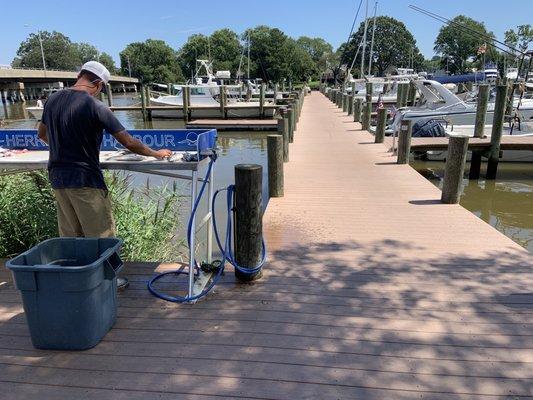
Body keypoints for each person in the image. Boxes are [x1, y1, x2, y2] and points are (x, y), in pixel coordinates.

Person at [37, 61, 172, 289]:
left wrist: (65, 147)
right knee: (101, 236)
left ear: (80, 75)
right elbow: (128, 142)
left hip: (58, 178)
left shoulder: (52, 100)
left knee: (71, 237)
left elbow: (41, 134)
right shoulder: (95, 106)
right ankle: (109, 282)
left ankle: (76, 282)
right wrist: (156, 154)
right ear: (98, 85)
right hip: (85, 180)